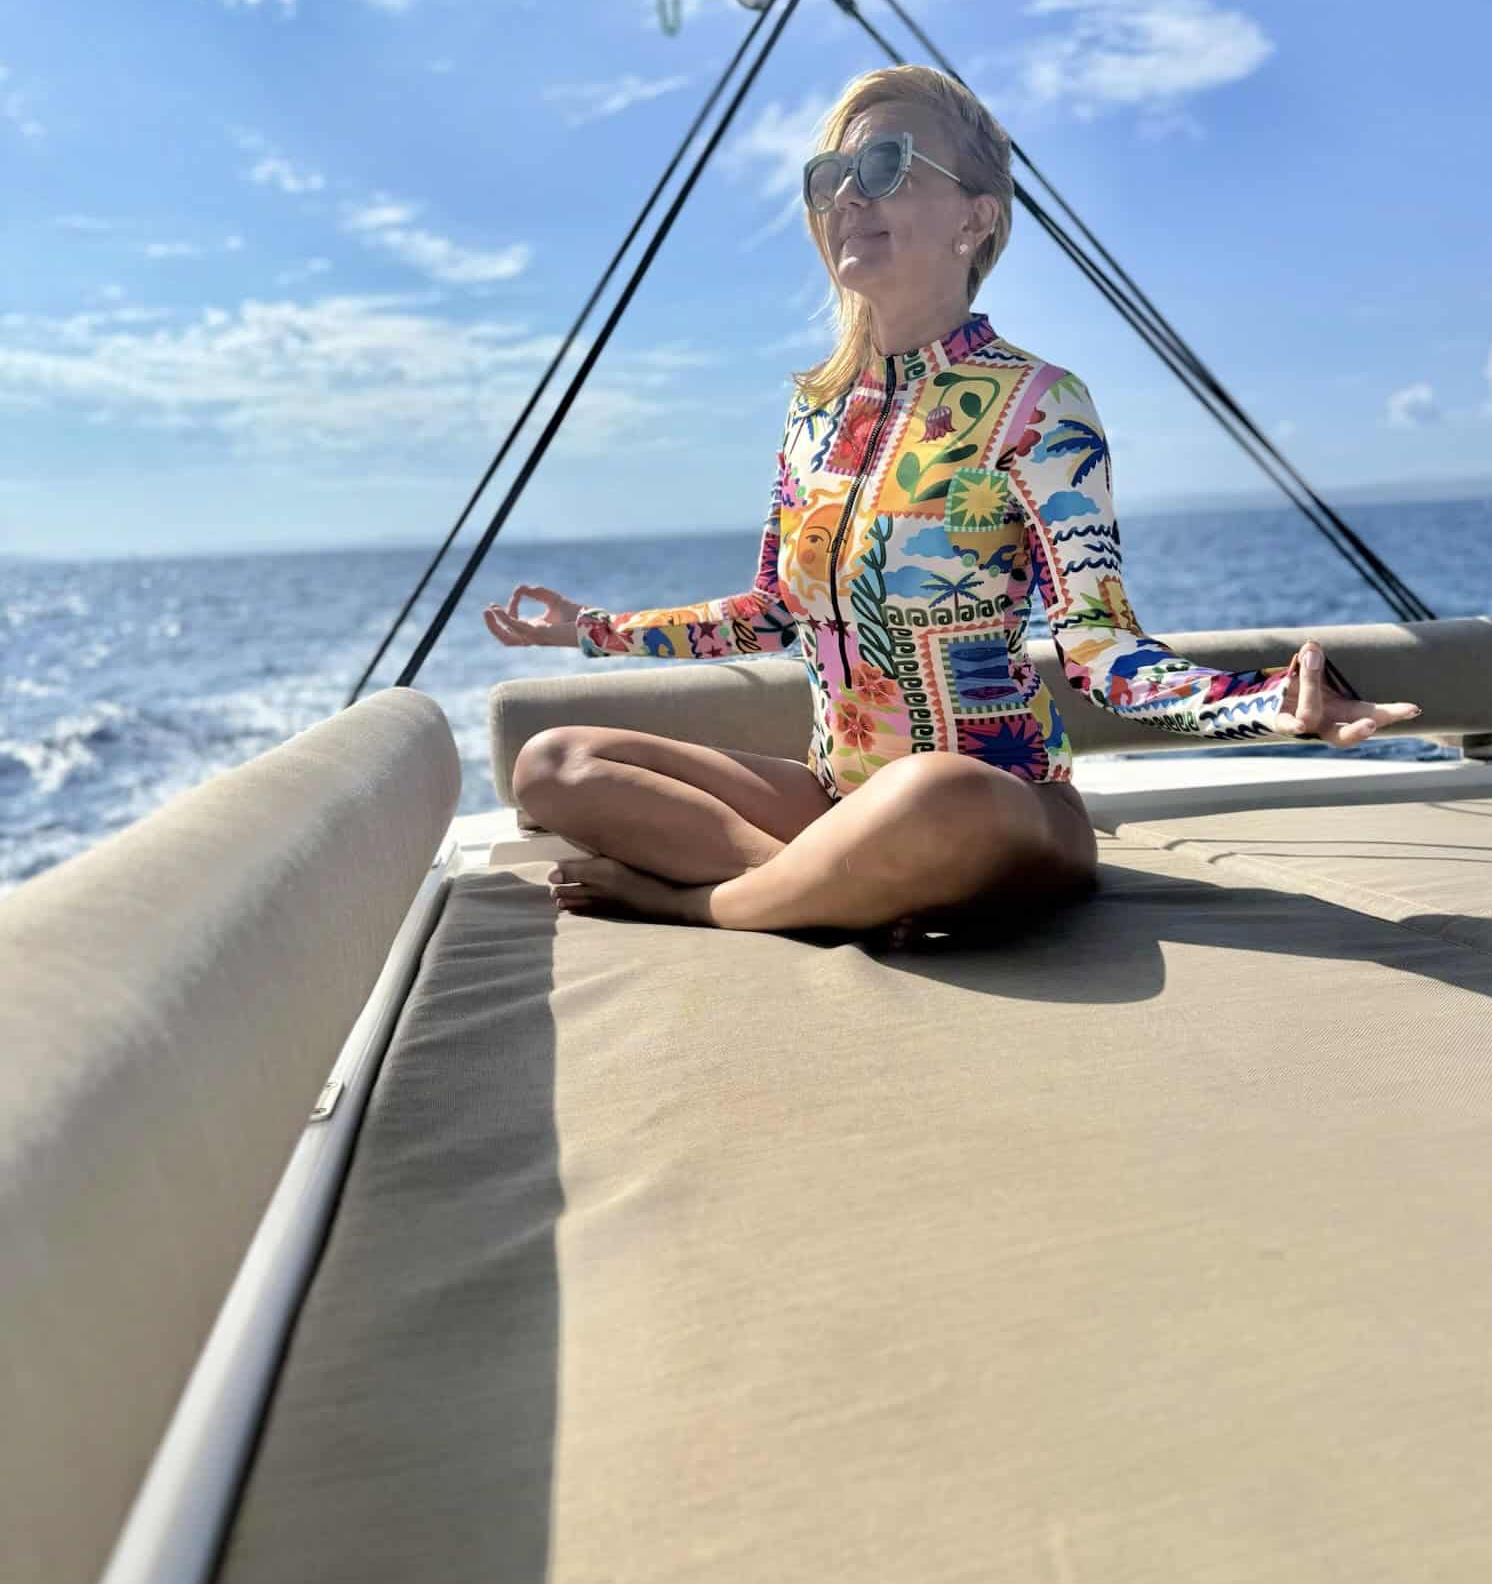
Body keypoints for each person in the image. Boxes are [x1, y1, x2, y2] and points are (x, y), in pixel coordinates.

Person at [485, 65, 1420, 943]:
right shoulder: (815, 415)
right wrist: (589, 629)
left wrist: (1263, 705)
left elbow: (1097, 645)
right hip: (841, 800)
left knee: (931, 793)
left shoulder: (1040, 403)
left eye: (883, 167)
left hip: (993, 811)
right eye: (829, 177)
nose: (847, 198)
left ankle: (707, 903)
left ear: (976, 217)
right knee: (553, 764)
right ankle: (835, 885)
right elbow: (771, 612)